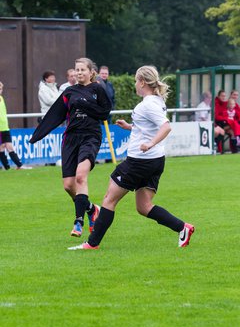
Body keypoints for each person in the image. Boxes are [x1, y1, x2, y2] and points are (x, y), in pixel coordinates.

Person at [68, 65, 195, 251]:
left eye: (136, 81)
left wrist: (150, 143)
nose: (135, 84)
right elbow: (149, 126)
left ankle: (91, 244)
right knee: (144, 207)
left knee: (108, 200)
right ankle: (183, 227)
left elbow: (166, 126)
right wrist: (130, 126)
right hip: (155, 161)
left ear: (142, 82)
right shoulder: (155, 101)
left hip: (139, 162)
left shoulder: (148, 104)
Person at [30, 57, 112, 236]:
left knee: (81, 177)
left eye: (83, 70)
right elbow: (55, 115)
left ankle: (78, 222)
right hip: (70, 138)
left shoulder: (98, 89)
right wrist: (37, 136)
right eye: (77, 70)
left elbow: (105, 113)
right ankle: (91, 209)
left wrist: (85, 104)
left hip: (90, 136)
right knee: (68, 185)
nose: (79, 73)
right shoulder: (69, 92)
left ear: (91, 72)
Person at [0, 82, 32, 170]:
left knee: (7, 146)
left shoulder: (1, 98)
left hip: (4, 127)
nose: (1, 90)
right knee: (3, 147)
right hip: (1, 128)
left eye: (1, 89)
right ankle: (11, 167)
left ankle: (14, 166)